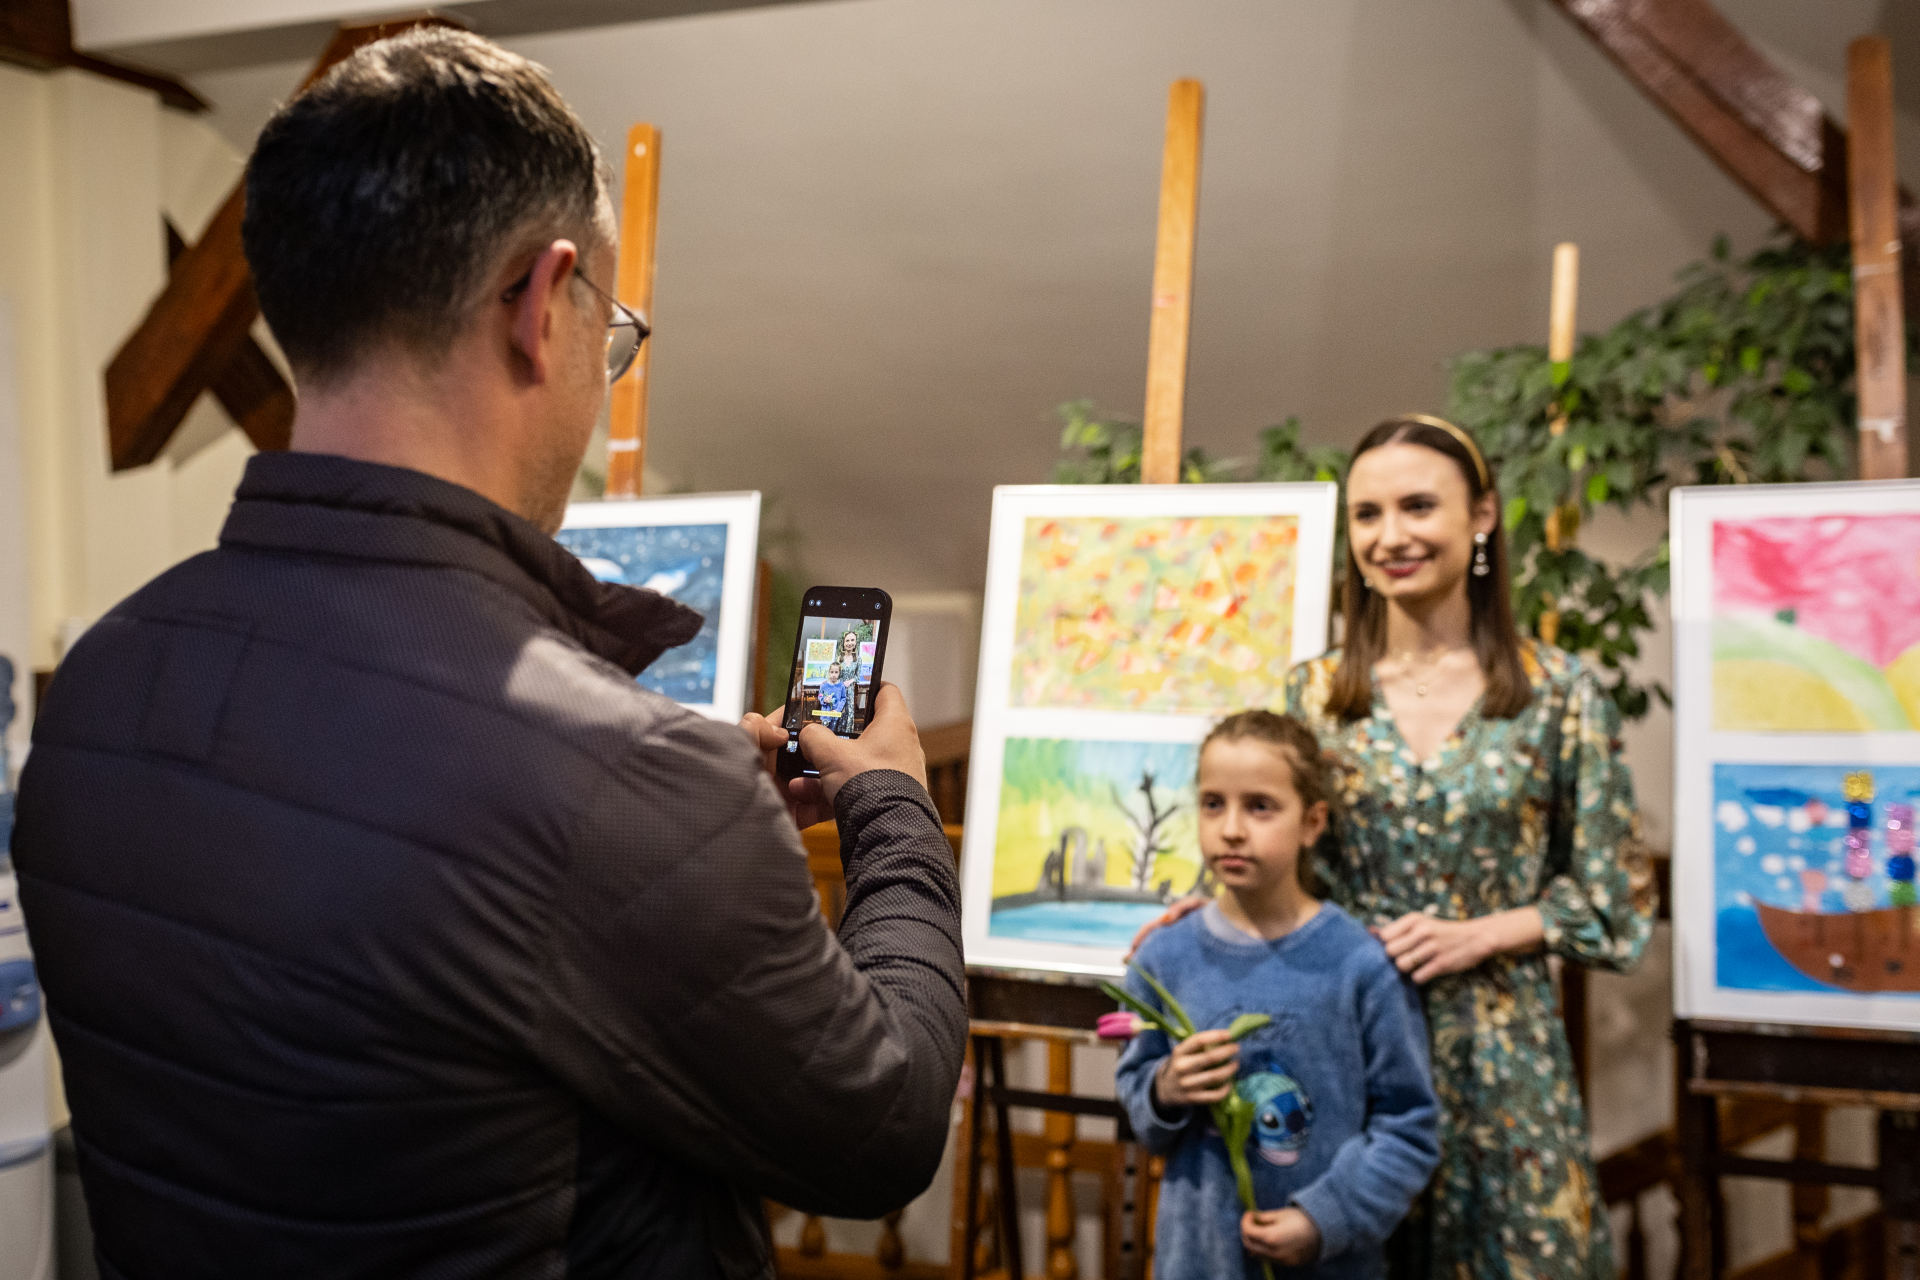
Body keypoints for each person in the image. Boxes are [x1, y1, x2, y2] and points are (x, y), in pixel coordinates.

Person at [11, 29, 965, 1280]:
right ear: (539, 302)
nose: (603, 376)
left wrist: (689, 841)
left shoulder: (100, 684)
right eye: (611, 331)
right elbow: (884, 1124)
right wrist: (891, 803)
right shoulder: (613, 782)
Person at [1135, 415, 1655, 1277]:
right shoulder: (1314, 693)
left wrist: (1483, 933)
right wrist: (1200, 910)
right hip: (1336, 1051)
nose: (1390, 536)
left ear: (1481, 514)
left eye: (1418, 506)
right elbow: (1268, 843)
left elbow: (1619, 898)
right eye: (1367, 514)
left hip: (1499, 1063)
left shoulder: (1559, 694)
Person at [1115, 711, 1438, 1279]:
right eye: (1213, 804)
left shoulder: (1362, 965)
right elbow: (1138, 1104)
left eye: (1260, 806)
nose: (1231, 829)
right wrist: (1167, 1088)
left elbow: (1408, 1127)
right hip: (1200, 1263)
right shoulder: (1162, 958)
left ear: (1312, 823)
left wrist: (1325, 1219)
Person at [816, 661, 853, 735]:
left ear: (839, 673)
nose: (833, 674)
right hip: (825, 714)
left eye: (836, 672)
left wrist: (838, 710)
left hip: (835, 714)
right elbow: (820, 695)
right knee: (824, 732)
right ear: (829, 672)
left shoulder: (841, 686)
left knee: (832, 733)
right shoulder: (824, 685)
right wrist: (824, 700)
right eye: (832, 672)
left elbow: (843, 698)